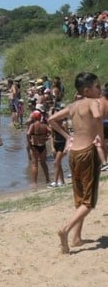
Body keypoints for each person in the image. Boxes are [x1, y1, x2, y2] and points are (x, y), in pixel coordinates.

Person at [48, 72, 102, 254]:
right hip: (88, 151)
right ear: (87, 90)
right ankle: (66, 229)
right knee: (89, 201)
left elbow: (51, 120)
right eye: (97, 86)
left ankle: (76, 237)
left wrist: (67, 137)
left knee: (80, 197)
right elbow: (97, 116)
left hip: (74, 153)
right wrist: (101, 138)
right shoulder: (93, 102)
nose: (100, 90)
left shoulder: (73, 106)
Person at [26, 110, 51, 187]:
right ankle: (48, 179)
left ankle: (34, 182)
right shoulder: (44, 125)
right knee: (43, 163)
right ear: (40, 117)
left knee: (35, 164)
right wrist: (47, 138)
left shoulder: (33, 125)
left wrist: (29, 144)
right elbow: (51, 131)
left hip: (35, 146)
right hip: (43, 146)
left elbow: (28, 134)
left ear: (34, 117)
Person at [50, 105, 68, 188]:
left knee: (56, 162)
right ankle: (62, 181)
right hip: (55, 144)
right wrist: (52, 147)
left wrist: (66, 148)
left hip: (62, 144)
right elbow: (52, 136)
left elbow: (67, 136)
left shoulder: (64, 124)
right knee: (58, 163)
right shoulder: (53, 124)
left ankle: (55, 182)